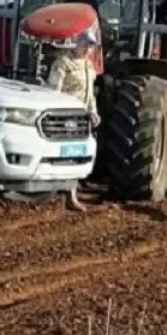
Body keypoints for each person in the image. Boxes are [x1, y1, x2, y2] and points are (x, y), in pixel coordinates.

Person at [46, 31, 100, 212]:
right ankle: (52, 195)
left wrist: (93, 112)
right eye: (85, 44)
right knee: (62, 154)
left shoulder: (88, 66)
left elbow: (90, 93)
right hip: (66, 116)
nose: (87, 49)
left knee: (76, 155)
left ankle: (71, 196)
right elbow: (54, 91)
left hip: (81, 117)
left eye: (91, 46)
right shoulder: (63, 64)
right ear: (76, 43)